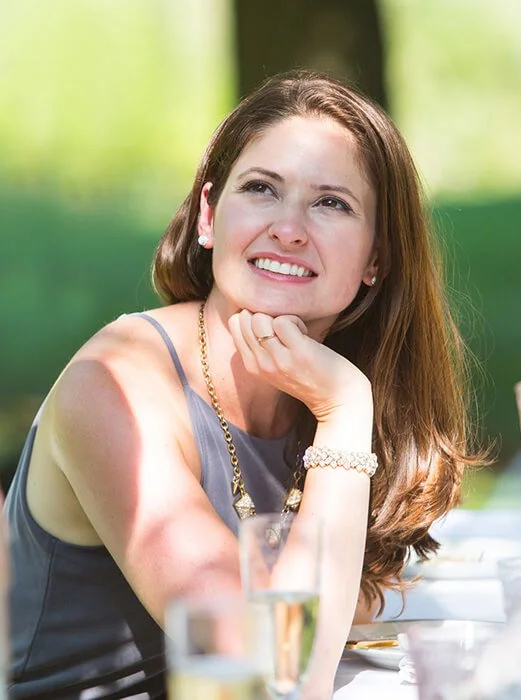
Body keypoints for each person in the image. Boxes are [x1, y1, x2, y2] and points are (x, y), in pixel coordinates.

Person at [5, 69, 487, 699]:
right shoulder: (113, 387)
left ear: (378, 257)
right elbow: (280, 676)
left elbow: (352, 605)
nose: (289, 228)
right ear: (208, 216)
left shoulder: (314, 378)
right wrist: (344, 413)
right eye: (262, 189)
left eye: (331, 203)